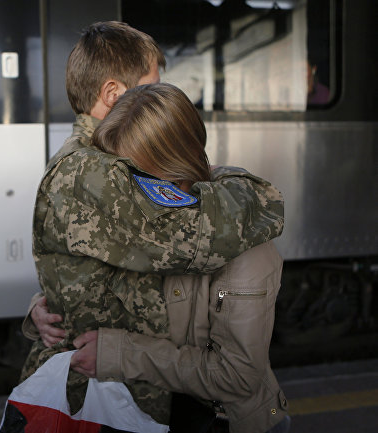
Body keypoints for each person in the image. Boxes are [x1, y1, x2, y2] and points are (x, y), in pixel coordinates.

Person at [18, 21, 284, 428]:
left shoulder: (91, 161)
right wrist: (259, 195)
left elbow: (98, 272)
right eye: (150, 85)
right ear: (113, 94)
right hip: (123, 393)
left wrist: (47, 303)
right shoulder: (100, 171)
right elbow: (197, 235)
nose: (158, 95)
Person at [68, 83, 290, 433]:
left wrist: (116, 355)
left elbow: (235, 376)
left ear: (179, 170)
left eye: (135, 179)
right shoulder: (136, 212)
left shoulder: (244, 245)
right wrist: (46, 309)